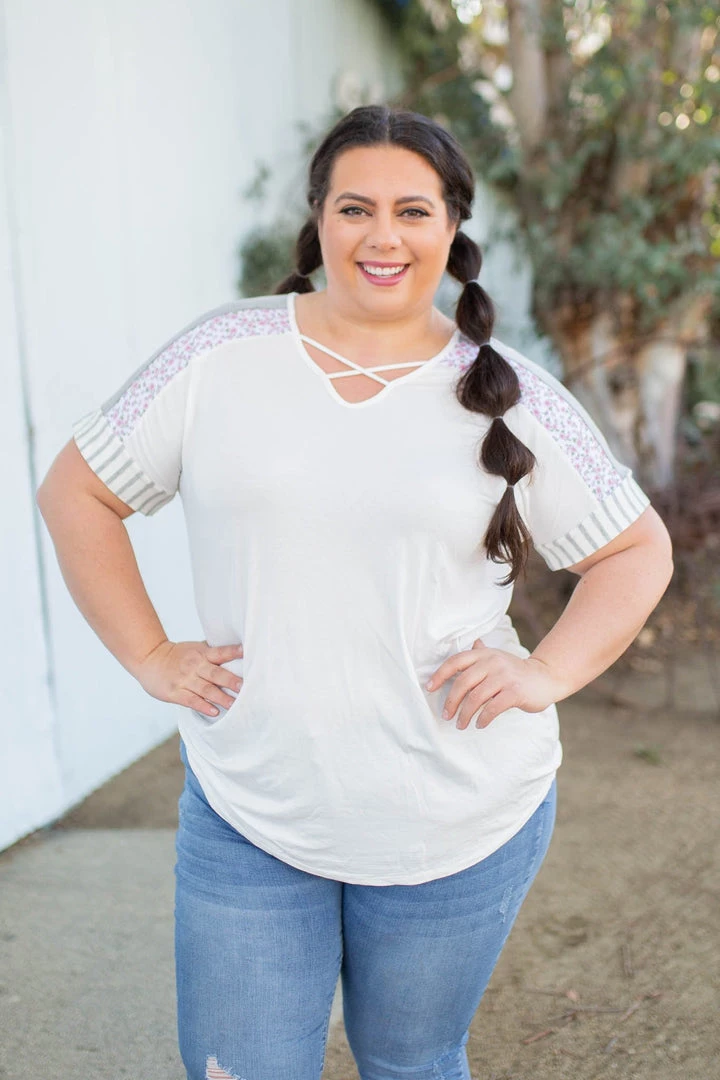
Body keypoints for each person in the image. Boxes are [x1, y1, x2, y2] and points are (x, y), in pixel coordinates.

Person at [36, 105, 673, 1080]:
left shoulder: (512, 393)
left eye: (413, 211)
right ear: (319, 219)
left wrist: (546, 673)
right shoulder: (219, 356)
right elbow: (77, 491)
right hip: (254, 806)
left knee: (411, 1063)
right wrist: (150, 654)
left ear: (452, 227)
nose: (383, 236)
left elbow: (635, 549)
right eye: (355, 208)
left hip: (455, 816)